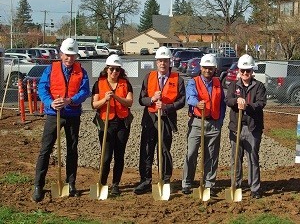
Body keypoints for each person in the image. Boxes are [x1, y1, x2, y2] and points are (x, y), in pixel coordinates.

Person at [32, 38, 90, 202]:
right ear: (60, 54)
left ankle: (70, 183)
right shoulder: (51, 69)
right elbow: (42, 87)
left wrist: (70, 100)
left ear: (76, 56)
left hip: (72, 114)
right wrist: (50, 102)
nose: (69, 58)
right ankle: (38, 185)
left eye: (72, 55)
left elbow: (85, 91)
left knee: (72, 149)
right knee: (46, 149)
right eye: (66, 55)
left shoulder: (81, 71)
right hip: (53, 114)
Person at [134, 46, 186, 195]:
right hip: (150, 118)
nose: (162, 63)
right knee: (146, 149)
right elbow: (141, 99)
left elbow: (182, 101)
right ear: (156, 62)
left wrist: (167, 107)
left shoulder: (178, 79)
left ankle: (165, 180)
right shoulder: (148, 77)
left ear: (170, 62)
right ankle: (145, 180)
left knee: (164, 150)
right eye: (160, 61)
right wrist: (151, 99)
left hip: (166, 119)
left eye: (165, 61)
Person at [181, 54, 226, 196]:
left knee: (212, 155)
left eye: (210, 68)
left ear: (214, 69)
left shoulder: (218, 83)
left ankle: (209, 184)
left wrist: (220, 120)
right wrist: (196, 103)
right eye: (205, 68)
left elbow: (222, 103)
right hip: (197, 122)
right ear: (201, 68)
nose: (208, 70)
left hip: (214, 124)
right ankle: (187, 183)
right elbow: (190, 97)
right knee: (191, 153)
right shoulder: (193, 82)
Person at [225, 54, 267, 199]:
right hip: (236, 127)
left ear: (251, 71)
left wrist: (247, 105)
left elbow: (261, 104)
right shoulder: (233, 85)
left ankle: (255, 187)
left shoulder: (259, 86)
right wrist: (237, 101)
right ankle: (235, 185)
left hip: (252, 128)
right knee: (236, 158)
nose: (245, 74)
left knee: (253, 158)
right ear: (239, 71)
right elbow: (228, 100)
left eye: (247, 71)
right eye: (242, 71)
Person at [91, 54, 133, 196]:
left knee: (119, 155)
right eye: (112, 69)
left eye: (117, 70)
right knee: (106, 156)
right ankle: (102, 183)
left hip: (122, 123)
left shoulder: (125, 84)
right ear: (106, 69)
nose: (114, 72)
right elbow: (94, 104)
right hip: (106, 124)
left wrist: (115, 97)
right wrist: (105, 99)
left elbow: (129, 102)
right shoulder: (99, 84)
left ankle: (115, 184)